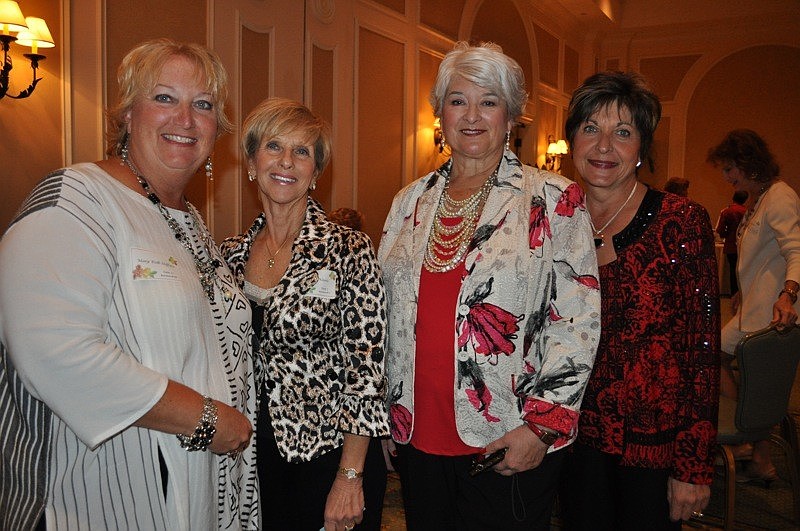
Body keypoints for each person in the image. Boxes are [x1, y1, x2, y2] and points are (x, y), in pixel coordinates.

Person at [0, 39, 258, 530]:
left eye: (202, 105)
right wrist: (207, 420)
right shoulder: (77, 200)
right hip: (96, 496)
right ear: (126, 115)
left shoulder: (189, 221)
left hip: (195, 486)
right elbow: (54, 349)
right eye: (164, 98)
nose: (185, 119)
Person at [378, 41, 601, 530]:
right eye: (458, 100)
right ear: (440, 114)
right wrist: (387, 414)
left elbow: (577, 321)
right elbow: (387, 318)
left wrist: (541, 429)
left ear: (512, 115)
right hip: (417, 434)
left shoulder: (552, 198)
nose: (472, 115)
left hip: (507, 436)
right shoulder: (409, 202)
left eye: (489, 101)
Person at [220, 97, 390, 531]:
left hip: (329, 459)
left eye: (302, 152)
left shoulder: (348, 249)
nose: (286, 162)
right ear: (252, 161)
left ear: (316, 172)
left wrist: (350, 477)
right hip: (252, 456)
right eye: (274, 146)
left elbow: (366, 373)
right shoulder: (228, 256)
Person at [559, 71, 720, 530]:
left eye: (622, 132)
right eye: (590, 128)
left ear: (642, 148)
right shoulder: (554, 219)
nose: (604, 146)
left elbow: (702, 354)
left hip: (653, 450)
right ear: (572, 140)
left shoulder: (681, 221)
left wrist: (692, 467)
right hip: (571, 439)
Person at [707, 128, 800, 483]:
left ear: (747, 164)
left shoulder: (779, 197)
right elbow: (761, 256)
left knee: (731, 368)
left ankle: (751, 447)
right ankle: (753, 450)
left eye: (730, 169)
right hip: (754, 308)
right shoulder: (757, 199)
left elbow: (795, 251)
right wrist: (745, 290)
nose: (727, 177)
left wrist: (787, 293)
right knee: (716, 358)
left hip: (774, 312)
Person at [715, 190, 748, 295]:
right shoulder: (747, 211)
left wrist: (726, 235)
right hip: (744, 245)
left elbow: (720, 230)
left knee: (733, 271)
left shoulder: (727, 211)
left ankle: (734, 294)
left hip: (731, 245)